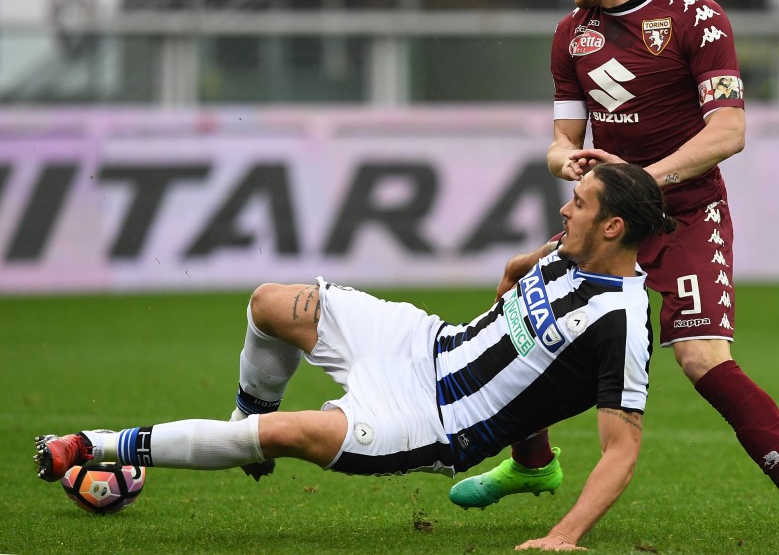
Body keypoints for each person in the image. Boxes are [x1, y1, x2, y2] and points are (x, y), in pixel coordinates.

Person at [447, 0, 779, 539]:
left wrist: (641, 180)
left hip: (686, 212)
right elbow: (560, 143)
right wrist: (568, 165)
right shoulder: (571, 36)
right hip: (609, 218)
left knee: (700, 358)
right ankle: (532, 463)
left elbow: (729, 131)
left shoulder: (696, 16)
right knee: (517, 291)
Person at [35, 163, 677, 552]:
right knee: (270, 304)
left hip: (433, 419)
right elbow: (513, 282)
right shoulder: (570, 251)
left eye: (580, 203)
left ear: (614, 227)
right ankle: (240, 425)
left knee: (288, 434)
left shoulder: (620, 320)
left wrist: (562, 538)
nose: (565, 208)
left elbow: (622, 448)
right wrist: (518, 276)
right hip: (423, 342)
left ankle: (86, 446)